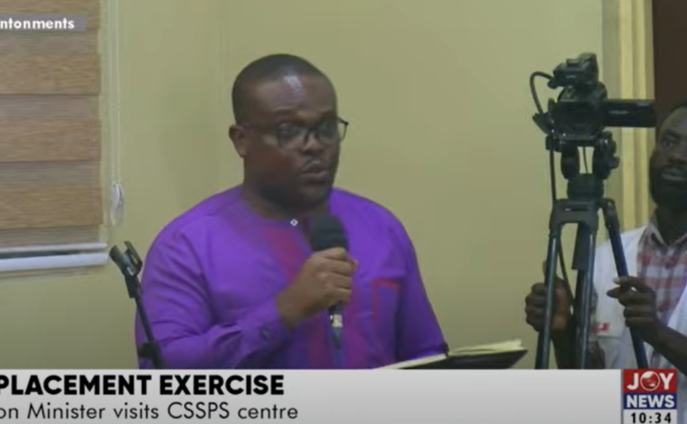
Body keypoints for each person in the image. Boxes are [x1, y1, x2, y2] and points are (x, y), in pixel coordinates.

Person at [135, 54, 447, 369]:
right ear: (242, 140)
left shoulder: (382, 228)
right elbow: (164, 374)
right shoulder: (186, 247)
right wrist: (284, 311)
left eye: (326, 127)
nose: (314, 146)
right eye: (289, 130)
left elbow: (427, 355)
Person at [524, 101, 687, 408]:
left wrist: (657, 333)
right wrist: (564, 332)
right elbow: (589, 385)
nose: (677, 156)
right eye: (668, 142)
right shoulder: (607, 258)